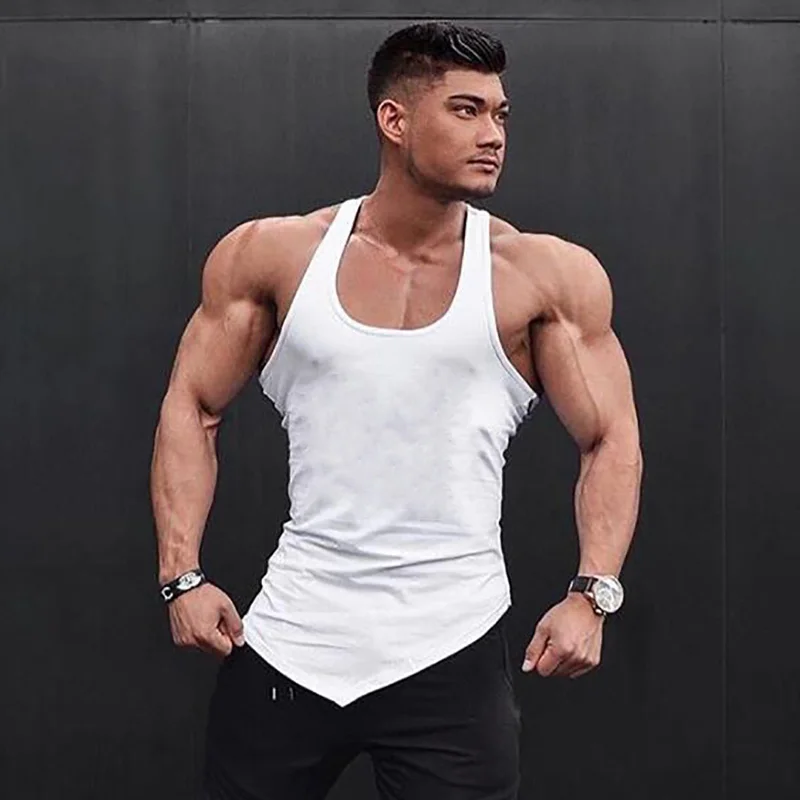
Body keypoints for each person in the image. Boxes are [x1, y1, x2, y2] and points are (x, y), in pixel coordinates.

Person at [151, 20, 643, 800]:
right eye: (466, 111)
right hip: (290, 641)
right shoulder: (276, 256)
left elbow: (611, 436)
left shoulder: (541, 276)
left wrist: (594, 592)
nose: (493, 135)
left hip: (452, 647)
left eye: (500, 114)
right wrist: (182, 576)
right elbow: (193, 403)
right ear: (395, 119)